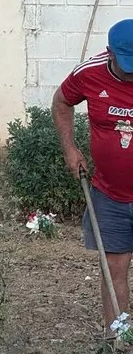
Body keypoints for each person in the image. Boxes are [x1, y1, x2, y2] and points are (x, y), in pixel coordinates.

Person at [53, 18, 133, 337]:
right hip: (109, 195)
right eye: (126, 66)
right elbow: (61, 101)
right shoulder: (89, 73)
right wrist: (69, 148)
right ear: (110, 53)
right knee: (113, 268)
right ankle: (118, 340)